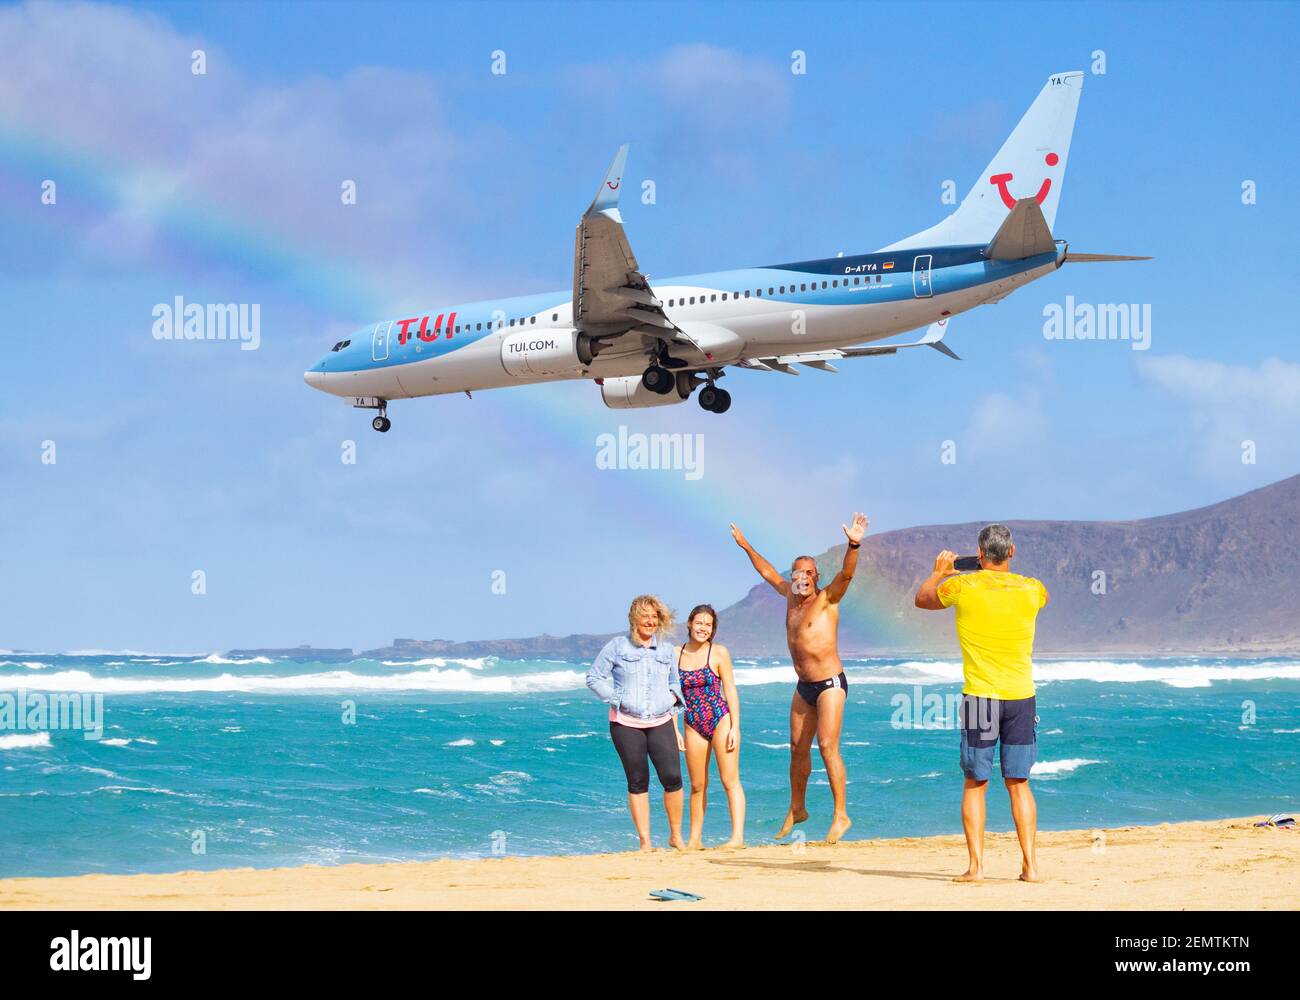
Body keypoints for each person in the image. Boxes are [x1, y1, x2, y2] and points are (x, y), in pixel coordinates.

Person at [913, 524, 1049, 883]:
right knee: (1018, 782)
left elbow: (922, 599)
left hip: (981, 698)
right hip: (1021, 696)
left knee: (976, 781)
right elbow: (1036, 597)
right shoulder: (1033, 588)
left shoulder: (961, 586)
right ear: (1012, 552)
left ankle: (976, 867)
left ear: (979, 552)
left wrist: (939, 573)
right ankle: (1031, 866)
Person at [730, 513, 868, 844]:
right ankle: (797, 808)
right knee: (796, 748)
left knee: (827, 746)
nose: (803, 577)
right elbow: (765, 571)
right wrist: (746, 545)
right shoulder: (790, 598)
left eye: (809, 572)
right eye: (798, 572)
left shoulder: (827, 599)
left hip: (830, 683)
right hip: (804, 686)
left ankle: (841, 814)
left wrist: (854, 543)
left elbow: (847, 573)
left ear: (816, 576)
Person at [586, 595, 686, 851]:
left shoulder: (666, 649)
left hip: (661, 720)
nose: (650, 622)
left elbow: (674, 681)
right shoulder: (617, 647)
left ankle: (676, 836)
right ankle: (645, 842)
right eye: (646, 616)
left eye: (655, 617)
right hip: (626, 723)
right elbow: (594, 678)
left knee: (672, 777)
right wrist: (615, 697)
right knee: (638, 780)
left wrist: (673, 698)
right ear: (634, 618)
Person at [677, 604, 745, 849]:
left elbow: (730, 690)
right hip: (692, 722)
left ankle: (737, 837)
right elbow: (672, 695)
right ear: (689, 624)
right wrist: (675, 729)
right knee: (697, 785)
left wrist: (735, 727)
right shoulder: (676, 653)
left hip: (719, 718)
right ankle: (695, 839)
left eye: (708, 624)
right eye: (699, 623)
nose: (703, 628)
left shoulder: (718, 653)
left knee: (729, 780)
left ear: (713, 629)